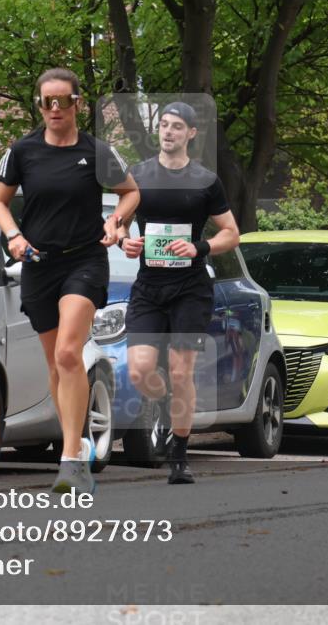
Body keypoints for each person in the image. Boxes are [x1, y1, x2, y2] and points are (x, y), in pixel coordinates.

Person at [0, 68, 139, 494]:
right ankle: (75, 443)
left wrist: (115, 222)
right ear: (39, 105)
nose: (54, 109)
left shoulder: (96, 151)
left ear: (78, 103)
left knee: (70, 352)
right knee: (56, 362)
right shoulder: (22, 151)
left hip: (85, 260)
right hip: (40, 263)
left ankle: (71, 457)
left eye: (62, 101)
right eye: (46, 102)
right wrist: (14, 236)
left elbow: (131, 192)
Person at [119, 102, 240, 484]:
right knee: (139, 371)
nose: (168, 132)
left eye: (176, 127)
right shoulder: (138, 176)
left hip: (190, 288)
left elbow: (231, 233)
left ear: (191, 133)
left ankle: (179, 457)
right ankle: (167, 401)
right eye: (164, 126)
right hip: (149, 287)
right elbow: (115, 221)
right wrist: (124, 241)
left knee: (180, 369)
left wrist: (199, 247)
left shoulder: (205, 181)